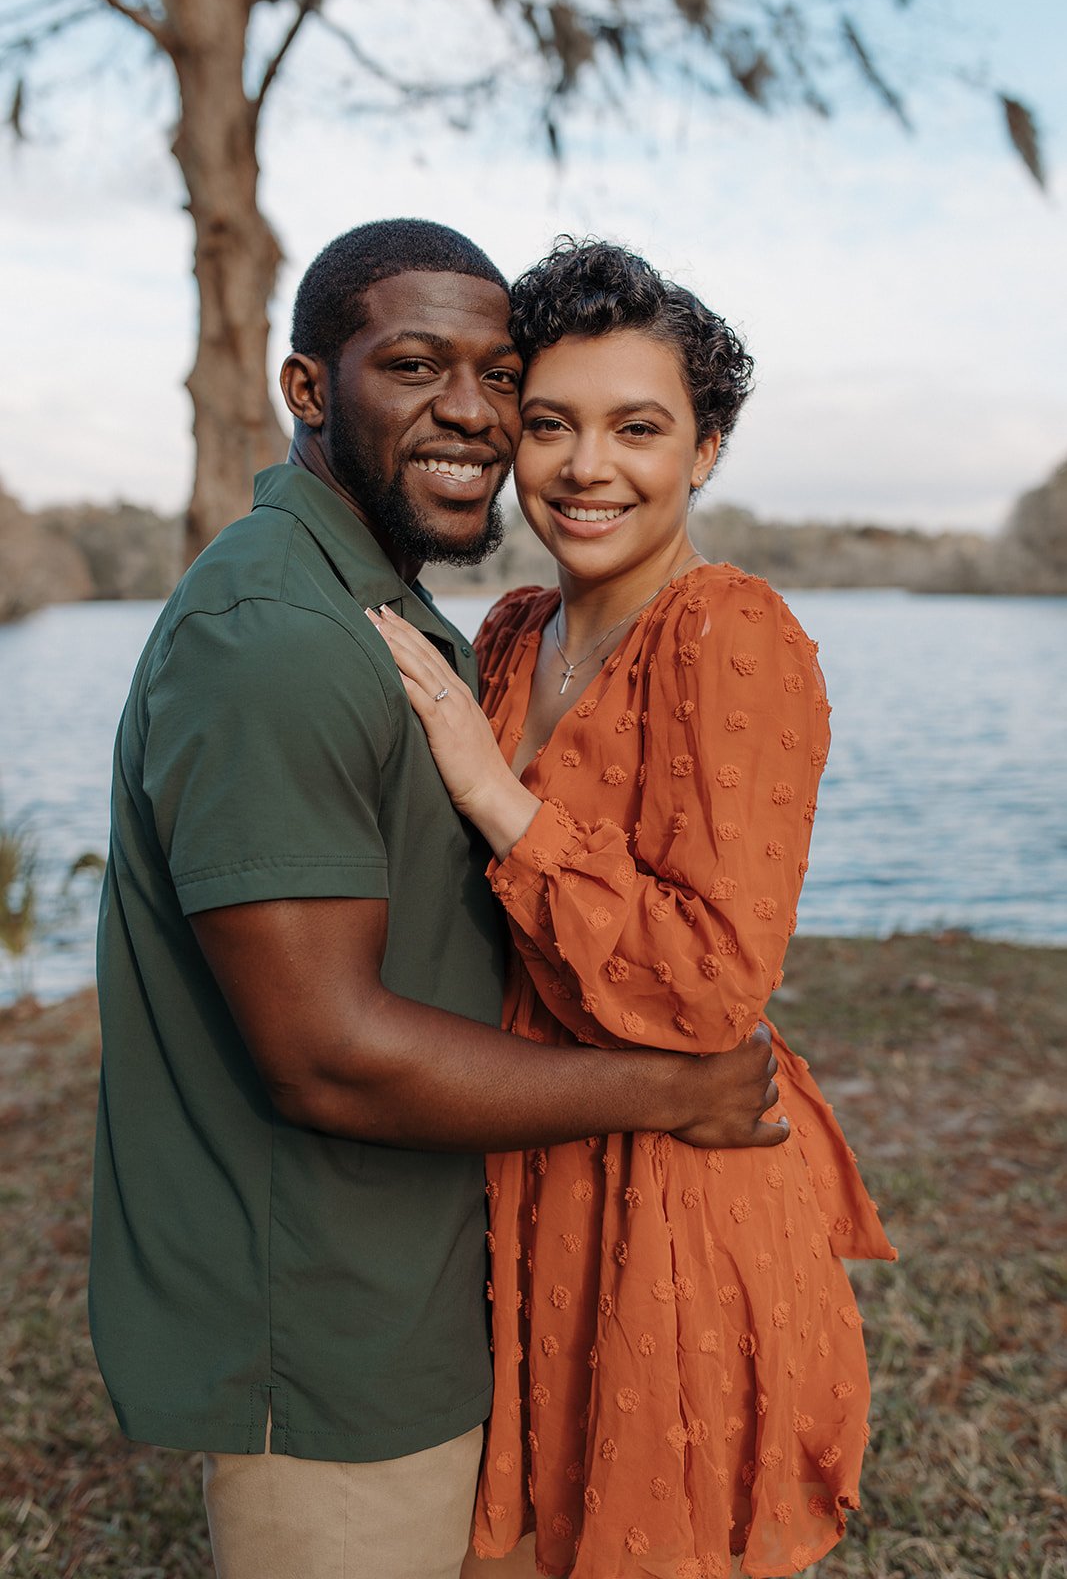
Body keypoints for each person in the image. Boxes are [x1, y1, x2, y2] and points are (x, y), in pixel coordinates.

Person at [89, 219, 790, 1579]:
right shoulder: (277, 641)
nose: (471, 412)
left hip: (455, 1291)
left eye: (496, 375)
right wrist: (668, 1090)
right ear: (308, 390)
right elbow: (327, 1057)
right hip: (336, 1338)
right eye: (415, 366)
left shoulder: (401, 617)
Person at [372, 237, 897, 1579]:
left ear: (706, 447)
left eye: (638, 427)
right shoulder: (508, 634)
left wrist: (501, 798)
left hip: (674, 1185)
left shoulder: (730, 633)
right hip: (528, 1147)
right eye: (550, 424)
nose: (585, 467)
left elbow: (715, 985)